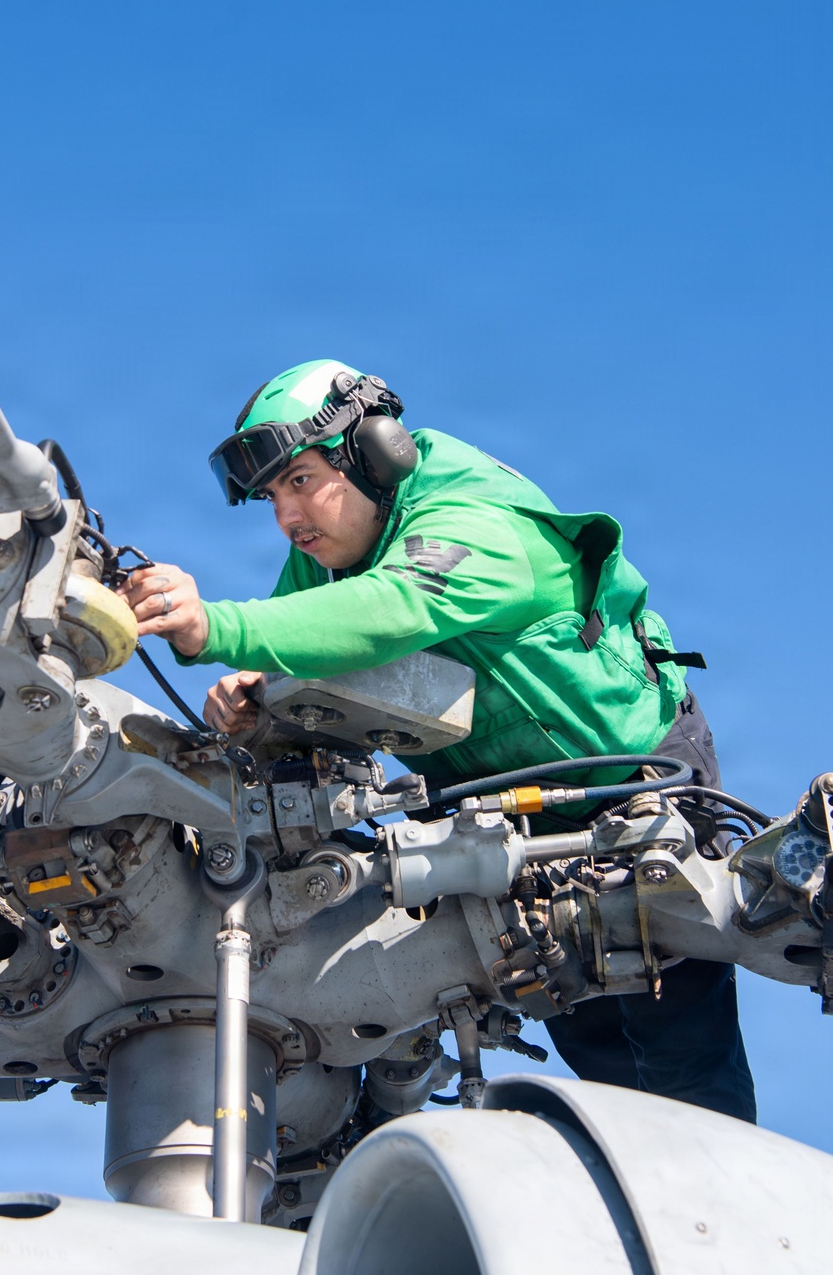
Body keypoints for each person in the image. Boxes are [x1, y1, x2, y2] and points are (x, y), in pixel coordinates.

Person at [118, 359, 756, 1123]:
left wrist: (217, 627)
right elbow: (304, 643)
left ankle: (724, 1190)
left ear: (375, 453)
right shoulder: (328, 553)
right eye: (272, 497)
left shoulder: (476, 522)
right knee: (596, 1043)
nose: (286, 517)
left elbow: (390, 610)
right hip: (513, 821)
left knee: (679, 1033)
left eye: (301, 481)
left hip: (633, 784)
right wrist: (253, 690)